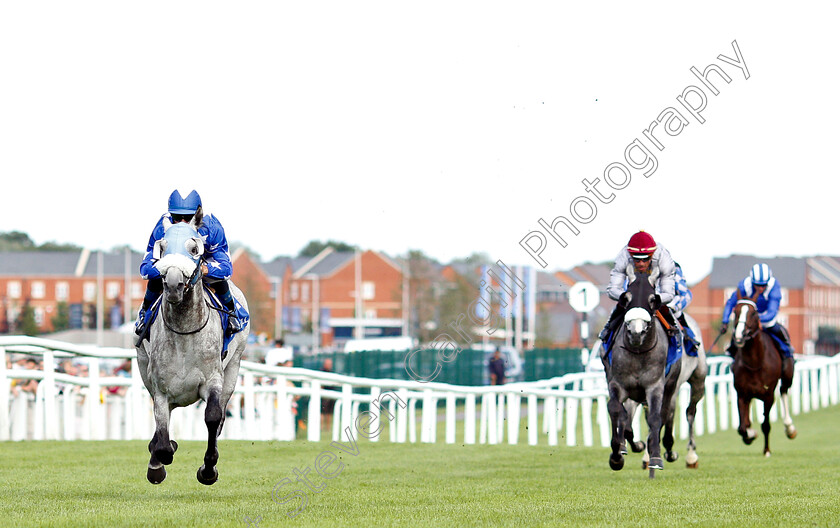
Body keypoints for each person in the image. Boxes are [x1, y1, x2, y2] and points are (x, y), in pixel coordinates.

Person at [134, 189, 242, 336]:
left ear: (197, 215)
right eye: (177, 217)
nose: (182, 222)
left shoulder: (212, 228)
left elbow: (226, 269)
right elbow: (145, 270)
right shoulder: (162, 228)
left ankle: (231, 314)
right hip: (171, 266)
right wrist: (164, 266)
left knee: (218, 280)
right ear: (171, 215)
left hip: (203, 262)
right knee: (155, 280)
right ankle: (144, 314)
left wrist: (205, 269)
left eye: (188, 217)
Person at [599, 231, 679, 351]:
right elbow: (613, 289)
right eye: (636, 260)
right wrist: (622, 296)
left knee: (664, 308)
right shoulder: (624, 256)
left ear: (652, 255)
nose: (641, 263)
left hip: (655, 287)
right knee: (622, 305)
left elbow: (669, 293)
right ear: (630, 255)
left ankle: (675, 334)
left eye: (645, 259)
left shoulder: (664, 258)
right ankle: (608, 330)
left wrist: (659, 298)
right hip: (632, 286)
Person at [720, 263, 794, 364]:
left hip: (766, 318)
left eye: (764, 286)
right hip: (748, 319)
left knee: (780, 331)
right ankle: (731, 352)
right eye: (757, 285)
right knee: (738, 331)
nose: (761, 289)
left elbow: (772, 312)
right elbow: (730, 303)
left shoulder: (774, 287)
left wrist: (758, 319)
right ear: (752, 281)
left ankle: (787, 352)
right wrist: (725, 321)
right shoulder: (743, 286)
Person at [670, 262, 700, 355]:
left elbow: (685, 294)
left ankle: (690, 341)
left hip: (669, 305)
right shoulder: (633, 265)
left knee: (675, 314)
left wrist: (675, 306)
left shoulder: (673, 268)